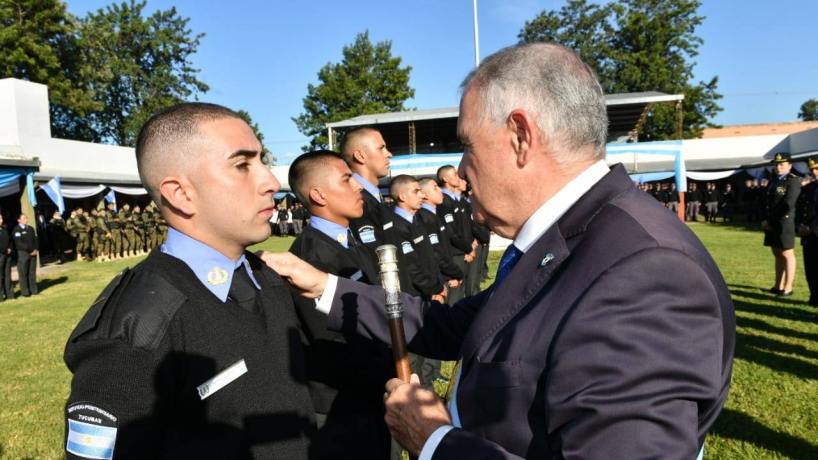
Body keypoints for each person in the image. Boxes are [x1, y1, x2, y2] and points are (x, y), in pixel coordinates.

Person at [265, 43, 735, 459]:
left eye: (468, 147)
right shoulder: (576, 236)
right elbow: (454, 325)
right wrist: (326, 287)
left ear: (520, 137)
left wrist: (436, 442)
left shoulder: (643, 271)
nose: (462, 173)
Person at [63, 102, 315, 459]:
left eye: (262, 160)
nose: (271, 181)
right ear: (180, 193)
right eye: (242, 165)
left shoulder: (267, 278)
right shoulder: (137, 329)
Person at [287, 150, 393, 459]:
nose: (358, 186)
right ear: (318, 194)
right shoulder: (312, 256)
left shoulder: (348, 241)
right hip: (343, 406)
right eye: (347, 179)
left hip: (369, 393)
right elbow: (332, 338)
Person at [341, 127, 395, 256]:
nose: (389, 154)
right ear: (360, 156)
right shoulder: (356, 200)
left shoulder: (373, 195)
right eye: (381, 148)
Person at [762, 152, 801, 296]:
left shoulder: (793, 181)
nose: (778, 167)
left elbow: (788, 204)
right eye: (776, 164)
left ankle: (788, 287)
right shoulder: (774, 180)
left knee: (787, 253)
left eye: (782, 164)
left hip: (784, 223)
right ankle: (778, 285)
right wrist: (765, 220)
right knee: (777, 253)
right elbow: (767, 203)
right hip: (771, 222)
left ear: (790, 166)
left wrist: (770, 221)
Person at [797, 157, 818, 305]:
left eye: (817, 169)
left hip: (815, 232)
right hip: (807, 236)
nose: (815, 172)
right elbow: (799, 210)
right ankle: (814, 296)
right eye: (812, 170)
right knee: (810, 268)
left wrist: (812, 228)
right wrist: (799, 225)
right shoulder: (807, 188)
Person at [13, 214, 38, 296]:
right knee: (24, 273)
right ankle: (25, 292)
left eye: (26, 217)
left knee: (32, 272)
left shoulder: (30, 228)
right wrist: (30, 250)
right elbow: (19, 243)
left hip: (33, 253)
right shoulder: (16, 230)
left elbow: (35, 239)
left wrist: (35, 249)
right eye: (23, 218)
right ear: (19, 220)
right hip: (23, 253)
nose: (25, 219)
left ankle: (34, 290)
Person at [0, 215, 13, 301]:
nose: (1, 220)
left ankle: (10, 295)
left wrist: (10, 248)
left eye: (1, 218)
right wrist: (4, 250)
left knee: (8, 275)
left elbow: (10, 240)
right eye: (0, 218)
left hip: (7, 256)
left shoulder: (4, 230)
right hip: (1, 255)